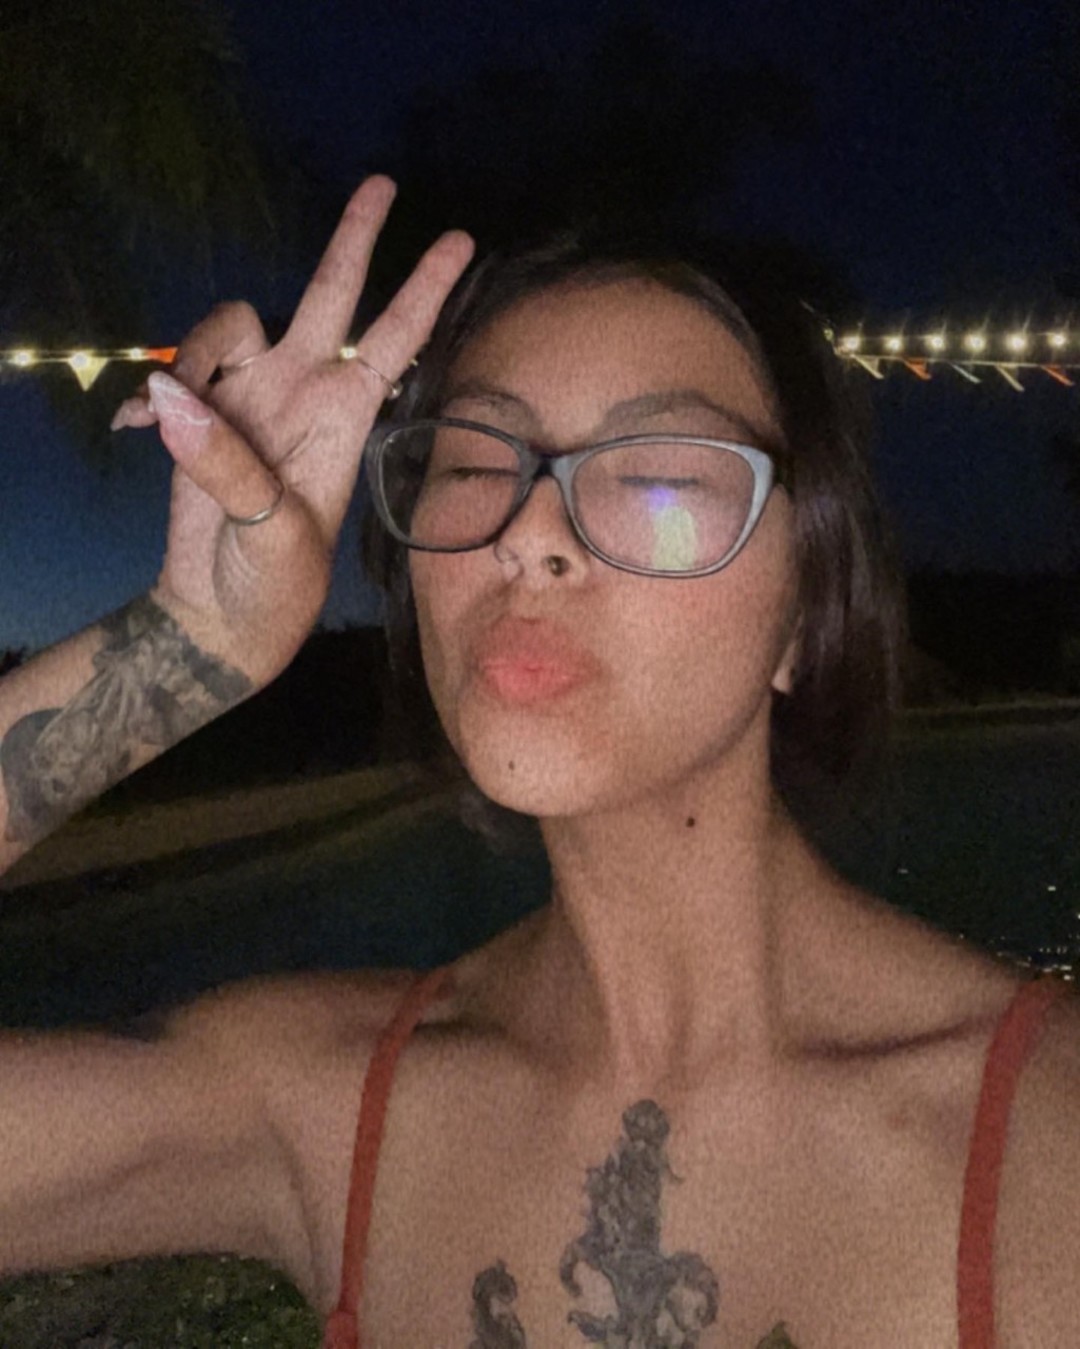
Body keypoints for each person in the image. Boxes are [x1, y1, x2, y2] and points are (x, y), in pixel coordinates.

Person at [0, 174, 1078, 1349]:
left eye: (659, 472)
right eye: (474, 461)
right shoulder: (324, 1104)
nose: (528, 533)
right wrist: (186, 645)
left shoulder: (1048, 1139)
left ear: (806, 616)